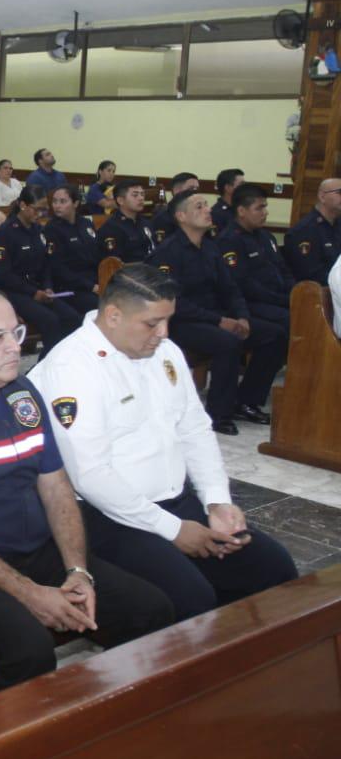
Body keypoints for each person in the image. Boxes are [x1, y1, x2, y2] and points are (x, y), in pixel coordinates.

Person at [0, 288, 174, 692]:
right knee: (30, 648)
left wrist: (76, 570)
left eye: (16, 333)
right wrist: (31, 595)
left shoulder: (23, 394)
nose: (13, 348)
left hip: (34, 553)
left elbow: (56, 485)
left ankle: (112, 716)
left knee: (149, 609)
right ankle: (14, 747)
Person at [30, 264, 299, 621]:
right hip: (109, 518)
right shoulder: (72, 368)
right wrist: (173, 531)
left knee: (273, 568)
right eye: (152, 323)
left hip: (176, 501)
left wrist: (216, 500)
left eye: (168, 320)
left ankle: (246, 664)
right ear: (112, 315)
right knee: (190, 600)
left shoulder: (165, 351)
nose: (164, 332)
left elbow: (194, 428)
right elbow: (91, 475)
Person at [148, 190, 287, 435]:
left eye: (207, 206)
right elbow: (173, 302)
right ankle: (218, 413)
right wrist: (219, 320)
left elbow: (230, 288)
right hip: (182, 321)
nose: (207, 210)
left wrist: (242, 316)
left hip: (215, 315)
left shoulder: (210, 248)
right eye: (199, 207)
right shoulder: (168, 251)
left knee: (274, 334)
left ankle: (245, 400)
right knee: (228, 342)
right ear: (181, 216)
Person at [0, 186, 81, 356]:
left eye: (44, 210)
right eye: (37, 209)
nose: (40, 214)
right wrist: (33, 292)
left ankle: (63, 362)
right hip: (14, 292)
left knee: (73, 318)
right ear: (23, 205)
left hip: (37, 289)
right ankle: (43, 368)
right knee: (51, 321)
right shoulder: (5, 233)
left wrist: (47, 286)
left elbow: (46, 263)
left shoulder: (38, 230)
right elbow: (2, 275)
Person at [217, 184, 294, 328]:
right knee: (291, 319)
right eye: (259, 208)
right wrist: (283, 300)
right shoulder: (229, 240)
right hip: (252, 303)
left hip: (277, 298)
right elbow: (244, 285)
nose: (265, 213)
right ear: (241, 211)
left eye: (265, 207)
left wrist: (295, 293)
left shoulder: (266, 236)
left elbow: (284, 269)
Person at [43, 185, 100, 314]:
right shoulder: (52, 228)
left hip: (93, 280)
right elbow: (57, 268)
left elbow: (97, 254)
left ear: (75, 203)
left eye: (63, 201)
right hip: (70, 286)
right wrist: (91, 286)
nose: (57, 206)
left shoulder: (86, 223)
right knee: (99, 305)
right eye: (55, 201)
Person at [283, 177, 341, 284]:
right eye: (339, 192)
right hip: (317, 294)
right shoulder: (304, 231)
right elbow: (310, 275)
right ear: (322, 196)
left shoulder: (337, 224)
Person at [95, 179, 156, 263]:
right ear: (120, 200)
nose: (141, 198)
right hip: (131, 273)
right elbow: (114, 264)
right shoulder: (111, 228)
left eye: (142, 194)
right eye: (135, 195)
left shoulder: (146, 222)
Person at [150, 172, 201, 245]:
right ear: (177, 190)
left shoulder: (199, 214)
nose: (195, 192)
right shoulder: (162, 219)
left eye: (197, 189)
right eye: (191, 188)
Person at [209, 168, 244, 233]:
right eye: (241, 185)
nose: (245, 188)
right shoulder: (216, 213)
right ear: (228, 188)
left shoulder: (242, 208)